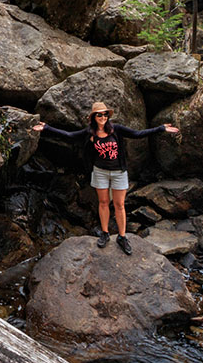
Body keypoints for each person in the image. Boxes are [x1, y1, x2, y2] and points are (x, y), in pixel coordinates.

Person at [32, 102, 180, 255]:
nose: (103, 117)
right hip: (100, 172)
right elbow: (69, 136)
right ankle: (105, 233)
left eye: (105, 114)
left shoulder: (117, 129)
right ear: (94, 117)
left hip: (118, 172)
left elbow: (137, 134)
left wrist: (161, 128)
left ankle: (122, 237)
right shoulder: (89, 132)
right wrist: (47, 128)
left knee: (120, 205)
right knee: (103, 202)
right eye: (99, 115)